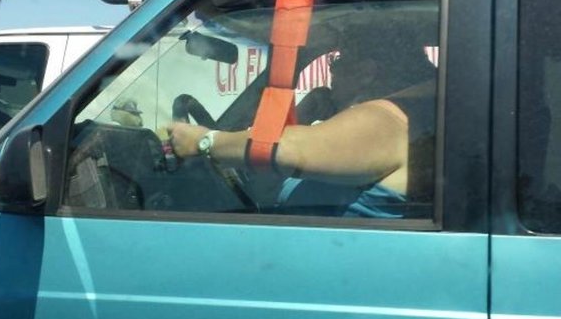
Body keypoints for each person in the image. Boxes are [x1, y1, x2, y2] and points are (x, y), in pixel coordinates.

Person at [168, 26, 437, 218]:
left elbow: (284, 149)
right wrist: (308, 112)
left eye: (337, 62)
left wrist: (204, 141)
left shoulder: (387, 119)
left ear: (366, 72)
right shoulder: (421, 112)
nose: (332, 73)